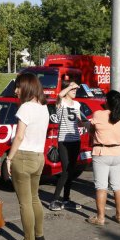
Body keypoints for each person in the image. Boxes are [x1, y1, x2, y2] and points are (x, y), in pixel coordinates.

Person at [5, 73, 49, 240]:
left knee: (25, 202)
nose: (15, 90)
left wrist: (9, 158)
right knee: (34, 197)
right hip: (39, 157)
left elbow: (20, 136)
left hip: (23, 157)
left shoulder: (25, 108)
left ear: (27, 87)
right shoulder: (43, 107)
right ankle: (39, 235)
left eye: (18, 86)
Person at [86, 90, 120, 226]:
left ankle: (100, 218)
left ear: (107, 101)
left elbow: (92, 130)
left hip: (102, 152)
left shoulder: (99, 114)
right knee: (118, 186)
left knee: (101, 187)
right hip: (118, 152)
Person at [49, 81, 83, 211]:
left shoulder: (77, 104)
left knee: (71, 171)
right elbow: (59, 95)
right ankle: (54, 200)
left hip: (76, 140)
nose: (75, 91)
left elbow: (79, 121)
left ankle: (66, 199)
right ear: (67, 90)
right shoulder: (61, 102)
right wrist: (70, 86)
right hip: (64, 140)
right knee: (65, 171)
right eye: (73, 89)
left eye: (75, 90)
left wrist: (87, 125)